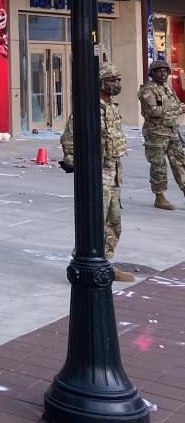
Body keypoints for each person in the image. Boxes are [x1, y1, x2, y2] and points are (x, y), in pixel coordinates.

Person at [61, 62, 135, 282]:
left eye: (118, 79)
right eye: (112, 80)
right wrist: (76, 164)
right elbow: (69, 138)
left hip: (114, 174)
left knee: (114, 222)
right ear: (100, 83)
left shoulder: (112, 107)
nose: (117, 84)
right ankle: (84, 262)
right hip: (96, 175)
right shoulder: (88, 108)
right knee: (95, 223)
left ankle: (106, 264)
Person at [137, 58, 185, 211]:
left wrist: (175, 108)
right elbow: (153, 111)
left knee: (181, 162)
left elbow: (177, 104)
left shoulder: (167, 88)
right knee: (159, 165)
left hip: (172, 131)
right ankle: (159, 196)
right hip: (156, 134)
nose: (163, 73)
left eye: (165, 70)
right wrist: (175, 109)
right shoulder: (147, 90)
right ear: (153, 73)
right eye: (159, 71)